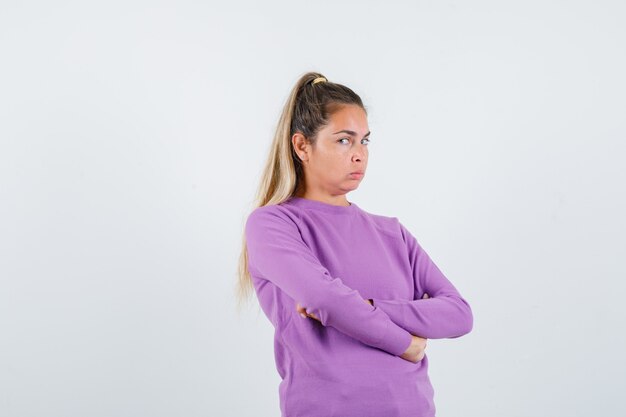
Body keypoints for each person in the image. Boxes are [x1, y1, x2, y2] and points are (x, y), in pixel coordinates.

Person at [236, 71, 473, 417]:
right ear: (302, 146)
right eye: (344, 140)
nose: (359, 154)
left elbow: (458, 314)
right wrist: (405, 342)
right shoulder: (273, 224)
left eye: (365, 141)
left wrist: (372, 306)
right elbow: (323, 298)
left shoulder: (392, 233)